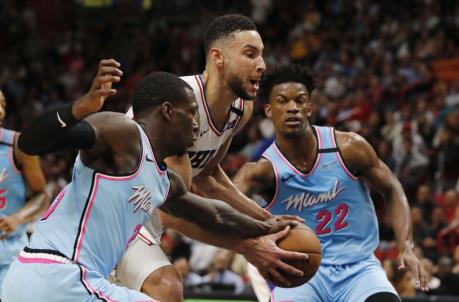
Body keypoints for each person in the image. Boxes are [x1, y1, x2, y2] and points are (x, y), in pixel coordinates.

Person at [1, 59, 298, 302]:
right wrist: (79, 109)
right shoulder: (123, 134)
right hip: (62, 275)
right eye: (192, 114)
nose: (196, 126)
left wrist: (267, 225)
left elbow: (214, 213)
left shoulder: (163, 179)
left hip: (31, 278)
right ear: (168, 111)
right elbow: (29, 143)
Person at [118, 14, 307, 301]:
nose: (263, 65)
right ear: (218, 57)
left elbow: (208, 176)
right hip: (116, 210)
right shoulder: (179, 106)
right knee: (166, 287)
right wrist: (249, 244)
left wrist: (268, 219)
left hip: (145, 215)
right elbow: (175, 209)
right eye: (250, 54)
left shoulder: (240, 109)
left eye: (262, 55)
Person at [233, 64, 429, 302]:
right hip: (300, 274)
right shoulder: (261, 171)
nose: (292, 108)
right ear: (268, 110)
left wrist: (406, 245)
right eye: (283, 101)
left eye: (299, 100)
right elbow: (225, 209)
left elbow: (392, 188)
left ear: (309, 107)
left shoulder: (348, 147)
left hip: (358, 268)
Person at [0, 90, 50, 298]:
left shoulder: (17, 144)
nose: (0, 110)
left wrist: (17, 218)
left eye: (3, 104)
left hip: (8, 246)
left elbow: (42, 197)